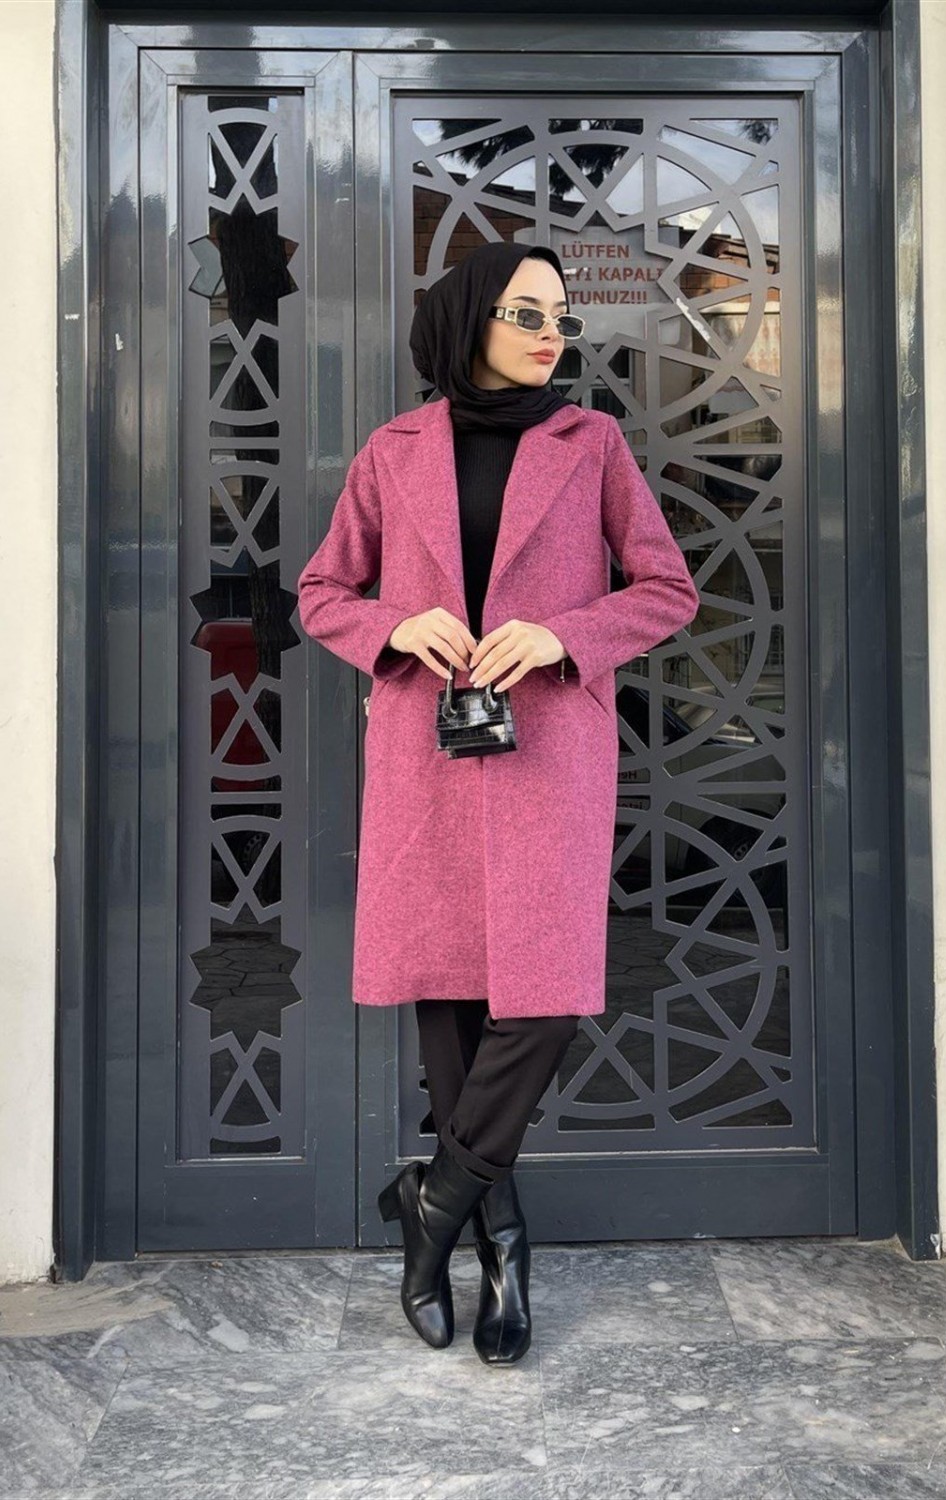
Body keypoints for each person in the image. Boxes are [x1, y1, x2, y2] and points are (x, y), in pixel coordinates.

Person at [296, 241, 700, 1365]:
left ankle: (432, 1204)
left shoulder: (591, 443)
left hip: (549, 752)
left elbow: (667, 588)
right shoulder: (393, 452)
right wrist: (394, 624)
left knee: (545, 993)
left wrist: (564, 635)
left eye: (561, 318)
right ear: (470, 317)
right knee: (450, 990)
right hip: (426, 753)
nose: (549, 334)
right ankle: (503, 1246)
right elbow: (322, 591)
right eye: (527, 313)